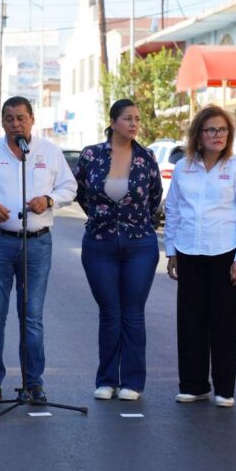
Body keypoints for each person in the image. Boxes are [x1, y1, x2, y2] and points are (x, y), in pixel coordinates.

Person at [0, 96, 77, 404]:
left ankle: (33, 384)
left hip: (37, 243)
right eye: (9, 118)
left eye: (21, 118)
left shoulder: (49, 153)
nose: (15, 124)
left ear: (32, 119)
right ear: (2, 122)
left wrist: (49, 200)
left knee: (32, 317)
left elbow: (70, 187)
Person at [164, 105, 236, 408]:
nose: (218, 135)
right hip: (189, 252)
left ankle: (224, 389)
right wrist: (171, 252)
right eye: (210, 130)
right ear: (198, 135)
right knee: (191, 321)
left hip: (226, 254)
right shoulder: (183, 167)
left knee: (225, 323)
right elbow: (174, 210)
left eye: (222, 130)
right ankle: (193, 385)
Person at [75, 99, 162, 402]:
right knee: (110, 312)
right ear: (113, 122)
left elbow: (154, 199)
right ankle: (107, 380)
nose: (134, 123)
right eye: (128, 118)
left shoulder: (147, 157)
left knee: (133, 313)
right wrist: (104, 219)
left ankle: (133, 383)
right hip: (100, 243)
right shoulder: (91, 155)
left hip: (140, 244)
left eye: (138, 118)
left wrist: (132, 223)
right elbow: (82, 192)